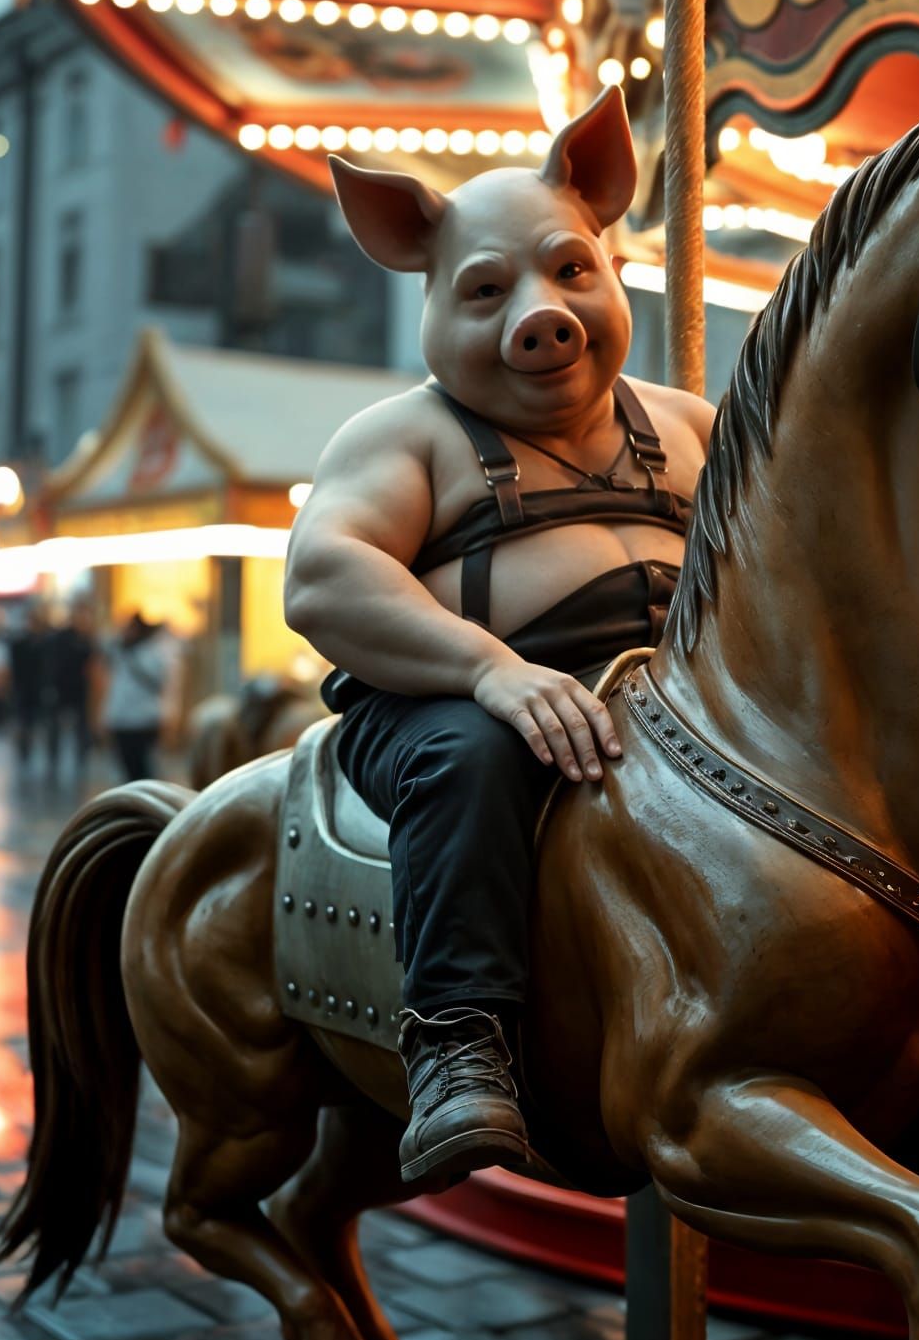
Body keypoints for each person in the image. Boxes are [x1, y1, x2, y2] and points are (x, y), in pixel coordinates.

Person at [284, 87, 715, 1184]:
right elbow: (327, 579)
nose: (542, 309)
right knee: (470, 757)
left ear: (610, 260)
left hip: (663, 709)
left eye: (570, 270)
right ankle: (458, 1040)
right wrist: (492, 672)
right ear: (424, 284)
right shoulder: (408, 434)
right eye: (488, 289)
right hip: (446, 704)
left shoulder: (691, 425)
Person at [101, 611, 181, 782]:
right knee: (127, 766)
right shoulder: (119, 651)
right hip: (121, 719)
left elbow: (159, 681)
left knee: (144, 767)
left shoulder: (151, 652)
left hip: (144, 719)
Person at [44, 603, 96, 783]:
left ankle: (80, 760)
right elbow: (52, 663)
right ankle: (53, 760)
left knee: (80, 728)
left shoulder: (86, 639)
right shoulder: (61, 638)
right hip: (60, 688)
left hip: (79, 690)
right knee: (55, 728)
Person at [8, 603, 51, 773]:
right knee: (25, 725)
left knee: (44, 725)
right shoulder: (19, 644)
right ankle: (24, 753)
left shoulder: (47, 643)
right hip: (24, 691)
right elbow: (14, 669)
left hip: (41, 690)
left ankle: (46, 757)